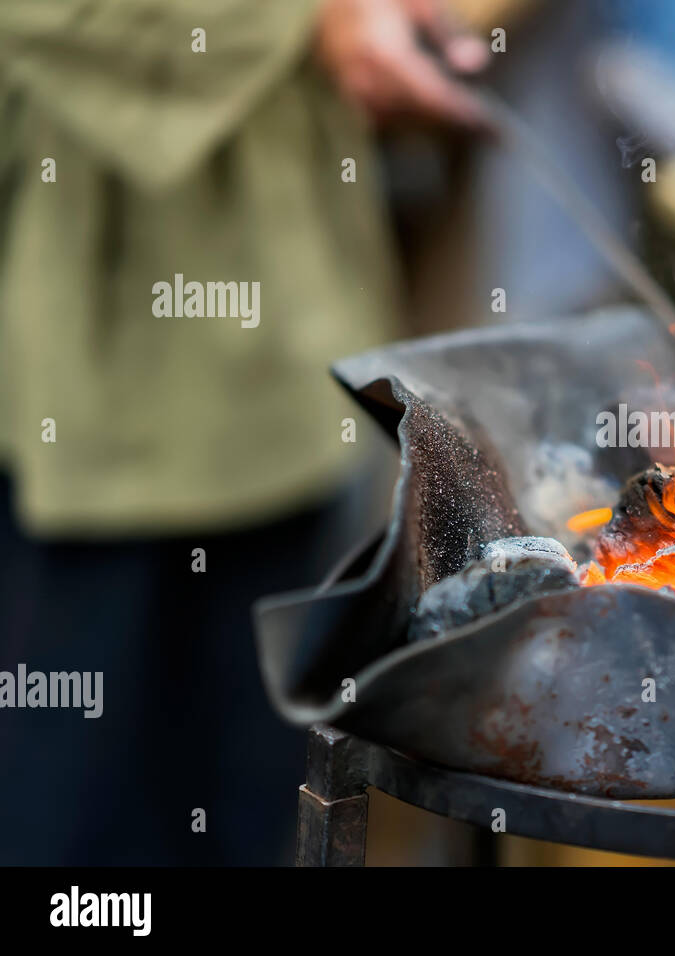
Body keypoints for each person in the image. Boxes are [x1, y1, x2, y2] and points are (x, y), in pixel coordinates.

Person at [0, 0, 487, 864]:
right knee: (77, 814)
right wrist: (305, 19)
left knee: (254, 798)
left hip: (289, 349)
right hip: (96, 365)